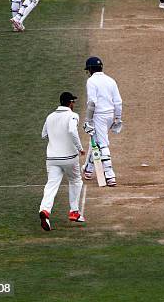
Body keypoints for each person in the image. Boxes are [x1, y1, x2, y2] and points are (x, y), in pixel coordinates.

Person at [39, 92, 85, 231]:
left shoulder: (50, 116)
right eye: (73, 102)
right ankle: (74, 212)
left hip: (52, 158)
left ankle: (45, 211)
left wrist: (56, 138)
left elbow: (44, 135)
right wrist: (80, 148)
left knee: (51, 185)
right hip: (69, 157)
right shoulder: (72, 115)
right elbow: (72, 131)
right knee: (76, 181)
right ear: (70, 103)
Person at [82, 57, 123, 187]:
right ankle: (88, 170)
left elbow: (92, 103)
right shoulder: (111, 80)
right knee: (95, 141)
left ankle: (110, 175)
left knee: (103, 144)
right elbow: (118, 102)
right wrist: (117, 118)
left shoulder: (91, 81)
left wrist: (88, 120)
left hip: (98, 116)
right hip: (110, 115)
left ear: (90, 69)